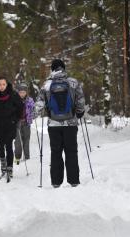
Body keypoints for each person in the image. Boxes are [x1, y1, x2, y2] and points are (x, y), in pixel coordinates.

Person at [34, 59, 85, 188]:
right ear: (63, 68)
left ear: (52, 69)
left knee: (56, 152)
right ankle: (74, 180)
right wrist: (80, 112)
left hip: (53, 124)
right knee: (71, 151)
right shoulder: (73, 82)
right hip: (71, 124)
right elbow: (80, 100)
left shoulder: (46, 85)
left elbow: (39, 105)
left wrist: (34, 114)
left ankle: (56, 182)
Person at [14, 82, 34, 164]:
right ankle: (17, 159)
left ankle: (27, 158)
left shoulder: (30, 100)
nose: (22, 94)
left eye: (23, 92)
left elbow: (33, 109)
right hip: (17, 124)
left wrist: (33, 113)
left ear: (26, 92)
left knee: (26, 141)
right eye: (20, 92)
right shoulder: (15, 100)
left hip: (26, 123)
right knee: (18, 142)